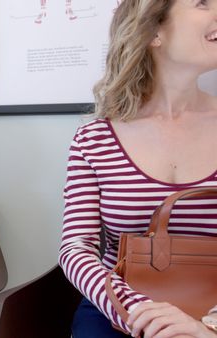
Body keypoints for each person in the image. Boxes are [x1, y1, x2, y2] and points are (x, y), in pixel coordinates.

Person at [59, 0, 217, 337]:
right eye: (203, 3)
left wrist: (210, 326)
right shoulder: (95, 139)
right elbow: (76, 247)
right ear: (154, 31)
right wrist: (138, 309)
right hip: (118, 310)